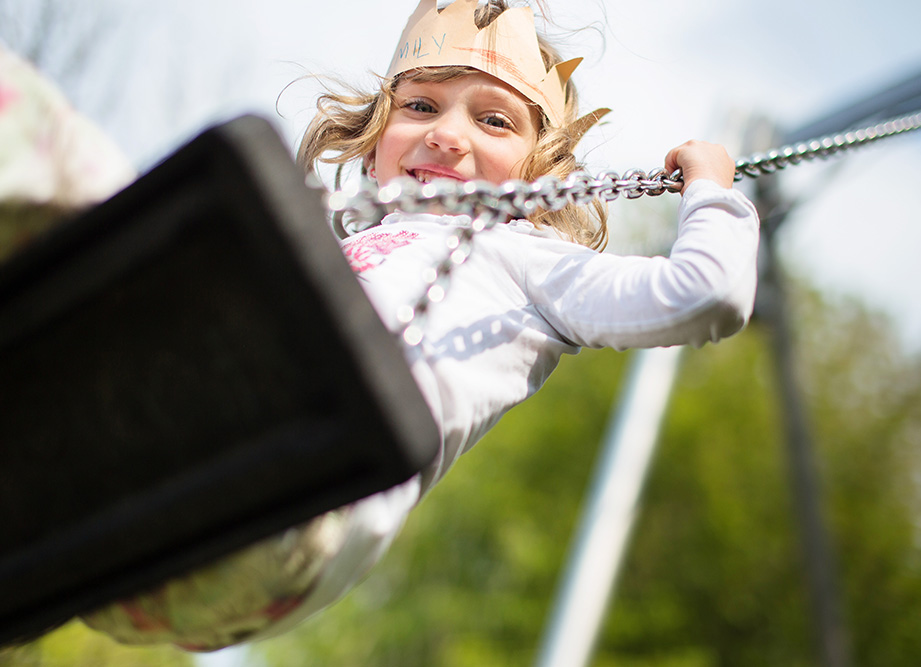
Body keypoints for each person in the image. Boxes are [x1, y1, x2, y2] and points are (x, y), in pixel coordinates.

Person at [82, 0, 759, 651]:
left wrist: (712, 189)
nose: (445, 133)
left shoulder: (529, 259)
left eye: (493, 121)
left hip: (302, 507)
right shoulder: (332, 249)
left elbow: (707, 294)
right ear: (376, 137)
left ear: (541, 168)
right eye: (420, 105)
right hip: (148, 543)